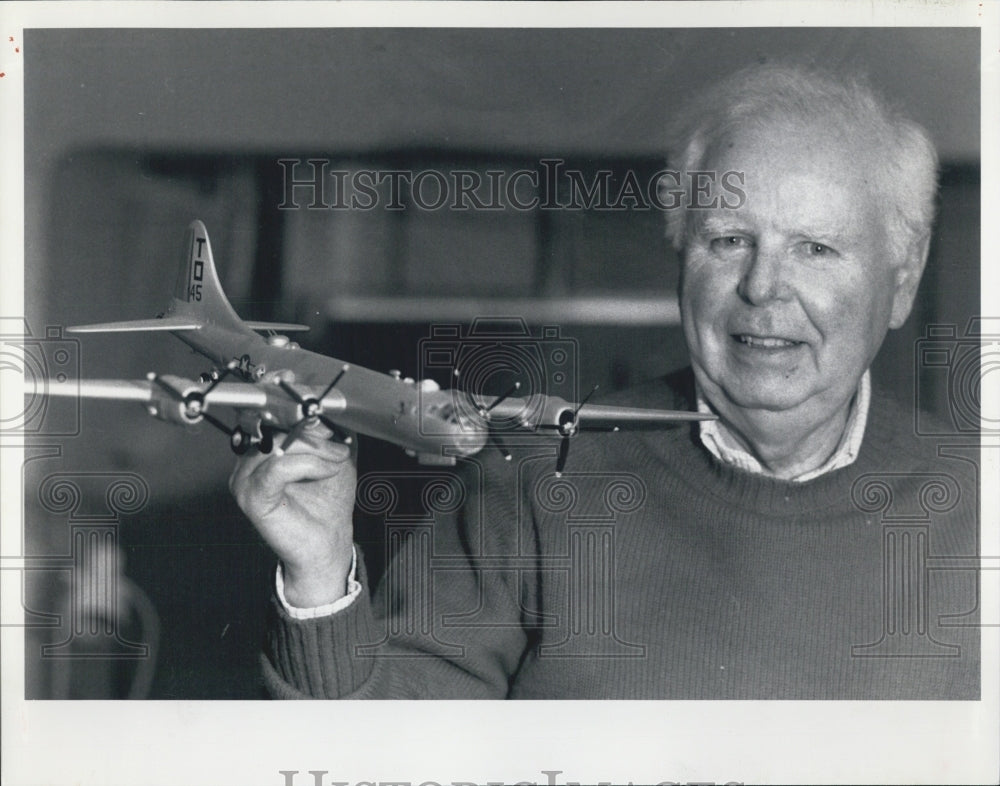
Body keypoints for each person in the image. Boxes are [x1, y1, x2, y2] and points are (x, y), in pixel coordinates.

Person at [231, 63, 980, 699]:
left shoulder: (980, 507)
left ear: (903, 281)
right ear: (680, 255)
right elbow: (382, 756)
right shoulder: (537, 472)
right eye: (728, 240)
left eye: (815, 248)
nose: (762, 289)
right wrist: (321, 573)